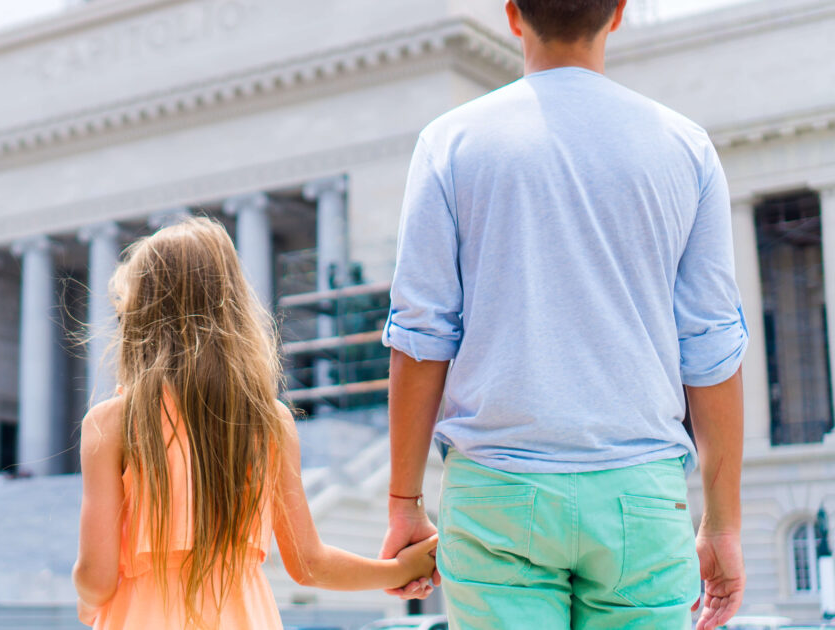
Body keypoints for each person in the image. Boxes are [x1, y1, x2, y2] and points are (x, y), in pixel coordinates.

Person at [378, 1, 747, 629]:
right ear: (619, 13)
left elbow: (422, 337)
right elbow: (711, 348)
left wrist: (404, 501)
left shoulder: (449, 143)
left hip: (495, 488)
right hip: (639, 494)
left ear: (514, 15)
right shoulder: (686, 148)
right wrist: (723, 523)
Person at [72, 218, 439, 629]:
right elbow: (309, 564)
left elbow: (96, 577)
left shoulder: (112, 423)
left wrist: (90, 605)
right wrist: (402, 570)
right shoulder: (269, 422)